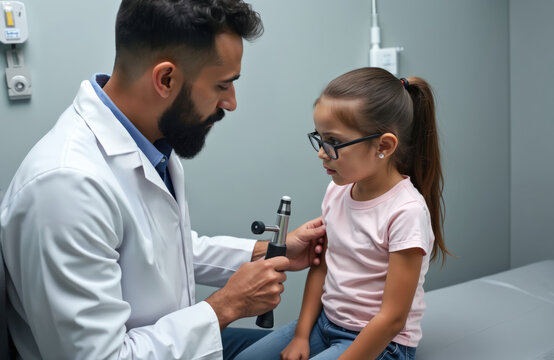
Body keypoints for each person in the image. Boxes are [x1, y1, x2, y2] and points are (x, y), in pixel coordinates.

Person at [0, 1, 326, 359]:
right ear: (166, 79)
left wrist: (263, 252)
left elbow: (157, 249)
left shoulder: (148, 140)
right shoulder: (65, 189)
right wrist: (225, 307)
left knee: (309, 342)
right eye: (222, 85)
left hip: (170, 343)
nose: (231, 102)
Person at [235, 67, 451, 360]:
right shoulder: (337, 191)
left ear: (383, 146)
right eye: (320, 138)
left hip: (383, 343)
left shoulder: (406, 212)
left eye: (334, 142)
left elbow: (392, 320)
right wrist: (301, 336)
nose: (322, 153)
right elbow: (321, 268)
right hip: (324, 326)